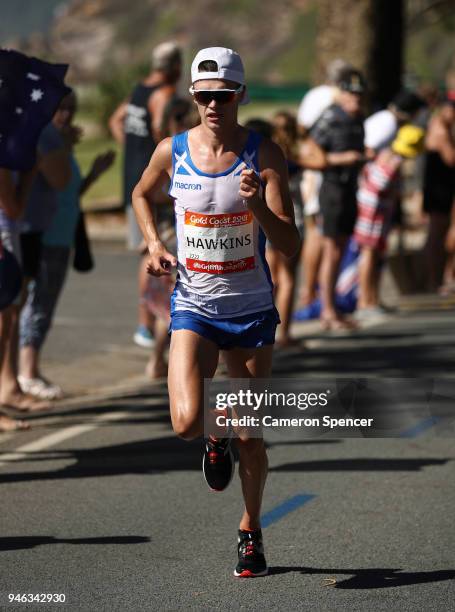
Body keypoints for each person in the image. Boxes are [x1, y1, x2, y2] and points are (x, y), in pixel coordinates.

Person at [132, 47, 300, 577]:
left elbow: (290, 242)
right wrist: (153, 244)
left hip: (250, 311)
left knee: (252, 437)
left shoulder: (265, 155)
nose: (211, 104)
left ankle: (250, 530)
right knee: (184, 423)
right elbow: (140, 194)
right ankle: (212, 432)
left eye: (221, 96)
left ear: (239, 96)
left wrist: (255, 207)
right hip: (194, 306)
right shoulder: (172, 150)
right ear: (193, 96)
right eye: (202, 95)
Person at [18, 91, 115, 399]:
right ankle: (26, 371)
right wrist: (60, 143)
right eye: (61, 108)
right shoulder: (47, 143)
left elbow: (70, 192)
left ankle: (29, 369)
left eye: (72, 109)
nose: (67, 115)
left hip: (62, 233)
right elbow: (50, 183)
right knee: (36, 304)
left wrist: (94, 175)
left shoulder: (61, 147)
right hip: (43, 234)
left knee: (44, 304)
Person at [109, 41, 182, 349]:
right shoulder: (164, 94)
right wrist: (163, 155)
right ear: (176, 67)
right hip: (155, 183)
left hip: (133, 178)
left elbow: (116, 120)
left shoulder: (139, 89)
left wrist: (133, 150)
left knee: (146, 252)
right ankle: (150, 322)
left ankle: (145, 325)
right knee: (156, 251)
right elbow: (158, 127)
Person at [309, 69, 367, 330]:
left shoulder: (358, 119)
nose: (355, 98)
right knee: (331, 251)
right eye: (351, 93)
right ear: (342, 94)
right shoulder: (331, 116)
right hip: (332, 189)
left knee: (342, 248)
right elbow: (310, 150)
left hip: (350, 189)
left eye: (359, 94)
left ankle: (332, 307)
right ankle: (327, 310)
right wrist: (340, 159)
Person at [354, 125, 425, 320]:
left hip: (379, 211)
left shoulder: (387, 154)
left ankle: (373, 299)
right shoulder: (392, 160)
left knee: (376, 255)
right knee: (369, 253)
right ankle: (365, 300)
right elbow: (379, 186)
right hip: (373, 211)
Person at [267, 111, 304, 346]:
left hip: (268, 218)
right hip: (292, 218)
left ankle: (266, 329)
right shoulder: (296, 160)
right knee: (288, 277)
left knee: (271, 277)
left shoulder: (267, 156)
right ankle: (286, 333)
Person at [422, 97, 455, 291]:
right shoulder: (441, 130)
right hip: (438, 188)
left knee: (440, 233)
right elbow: (451, 159)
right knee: (437, 233)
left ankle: (440, 276)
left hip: (441, 186)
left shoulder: (442, 127)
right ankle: (434, 279)